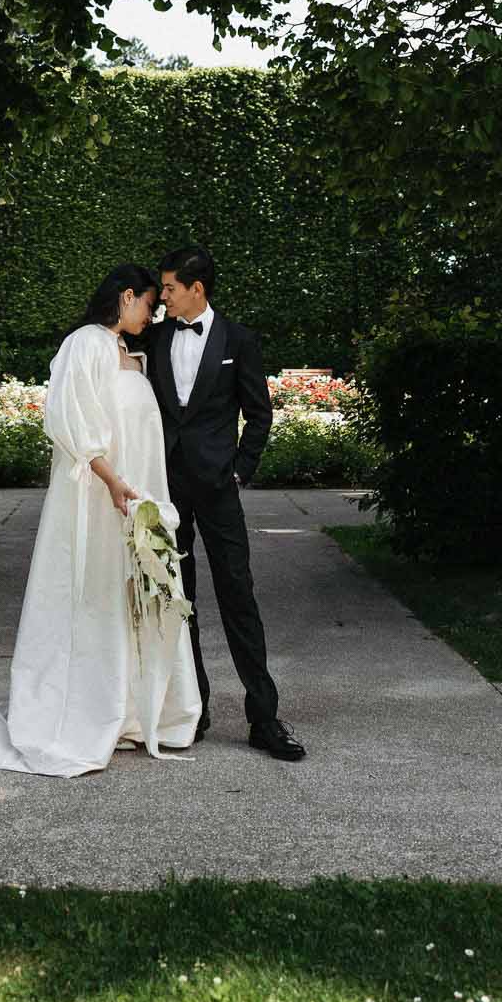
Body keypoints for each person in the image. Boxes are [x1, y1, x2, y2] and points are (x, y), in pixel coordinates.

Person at [0, 263, 204, 776]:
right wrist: (111, 481)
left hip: (135, 497)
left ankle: (133, 709)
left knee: (128, 596)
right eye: (148, 302)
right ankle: (87, 708)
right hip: (99, 497)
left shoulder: (132, 354)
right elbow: (68, 417)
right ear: (126, 296)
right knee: (93, 595)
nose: (152, 313)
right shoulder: (85, 343)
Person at [127, 245, 306, 760]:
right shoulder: (156, 336)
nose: (162, 296)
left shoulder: (238, 339)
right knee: (178, 600)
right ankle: (193, 708)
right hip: (167, 489)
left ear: (195, 289)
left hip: (219, 488)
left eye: (169, 288)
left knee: (238, 597)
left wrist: (239, 470)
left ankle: (264, 718)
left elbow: (260, 412)